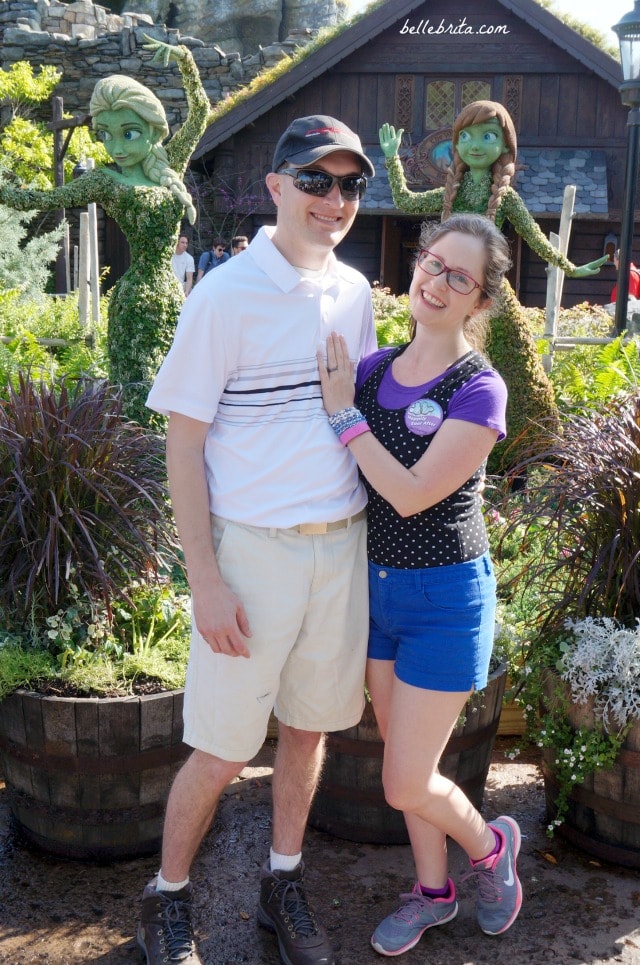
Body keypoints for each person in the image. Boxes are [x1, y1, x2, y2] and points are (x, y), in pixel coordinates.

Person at [142, 114, 377, 965]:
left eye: (351, 184)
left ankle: (283, 880)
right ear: (275, 186)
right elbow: (184, 445)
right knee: (221, 745)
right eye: (316, 180)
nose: (335, 199)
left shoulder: (353, 291)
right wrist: (205, 578)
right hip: (253, 550)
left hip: (338, 545)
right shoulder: (223, 295)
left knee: (310, 730)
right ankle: (166, 896)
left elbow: (353, 414)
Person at [317, 213, 521, 958]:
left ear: (482, 302)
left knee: (404, 780)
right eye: (432, 263)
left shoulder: (480, 389)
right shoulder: (371, 370)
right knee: (413, 769)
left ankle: (492, 850)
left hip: (445, 600)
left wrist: (343, 414)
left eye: (458, 277)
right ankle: (432, 892)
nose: (435, 281)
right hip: (377, 593)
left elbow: (408, 493)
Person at [378, 101, 609, 472]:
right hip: (445, 293)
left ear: (504, 146)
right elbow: (404, 200)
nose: (475, 145)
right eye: (466, 136)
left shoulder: (506, 198)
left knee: (513, 369)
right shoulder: (449, 194)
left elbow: (535, 238)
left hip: (489, 296)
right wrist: (391, 160)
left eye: (488, 136)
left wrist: (570, 267)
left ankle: (523, 458)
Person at [0, 37, 210, 425]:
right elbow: (44, 200)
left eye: (128, 133)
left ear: (152, 130)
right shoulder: (104, 180)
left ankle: (173, 468)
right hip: (132, 303)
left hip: (170, 297)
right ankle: (143, 472)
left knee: (177, 384)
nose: (115, 146)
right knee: (139, 391)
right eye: (105, 135)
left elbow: (200, 113)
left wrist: (185, 60)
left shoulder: (169, 165)